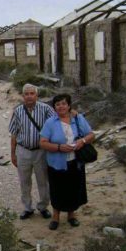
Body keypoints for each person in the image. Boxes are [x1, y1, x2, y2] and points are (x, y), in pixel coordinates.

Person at [40, 93, 95, 230]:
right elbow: (42, 143)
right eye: (58, 104)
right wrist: (59, 147)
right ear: (54, 107)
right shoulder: (50, 123)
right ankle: (55, 217)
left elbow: (91, 135)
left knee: (73, 188)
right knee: (57, 189)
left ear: (69, 105)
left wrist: (82, 141)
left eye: (64, 103)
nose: (61, 106)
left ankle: (71, 215)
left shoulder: (78, 119)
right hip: (56, 163)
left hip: (75, 162)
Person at [9, 84, 55, 220]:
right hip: (23, 151)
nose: (29, 96)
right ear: (23, 96)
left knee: (43, 181)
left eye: (32, 93)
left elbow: (56, 124)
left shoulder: (46, 109)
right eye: (26, 94)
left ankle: (43, 207)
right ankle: (27, 208)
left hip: (41, 151)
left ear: (37, 95)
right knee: (24, 181)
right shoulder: (18, 111)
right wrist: (13, 154)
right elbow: (13, 134)